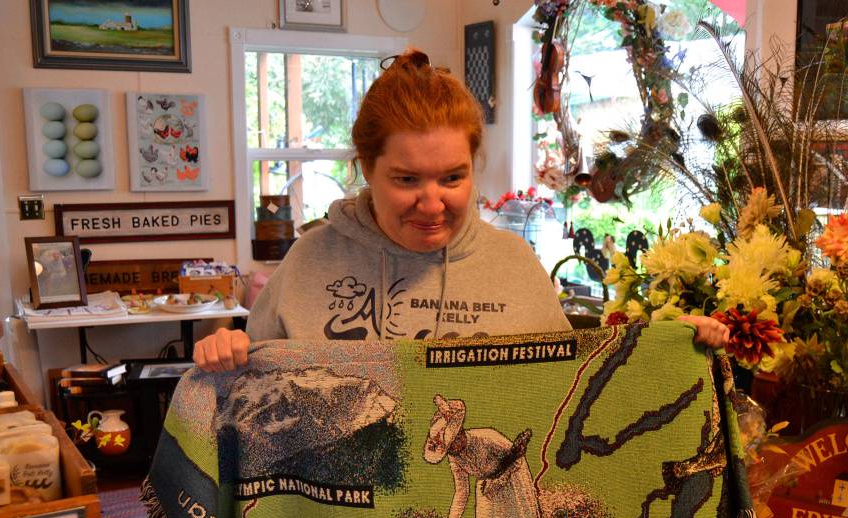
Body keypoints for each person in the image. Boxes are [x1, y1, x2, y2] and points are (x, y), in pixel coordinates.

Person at [194, 49, 727, 372]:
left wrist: (670, 348)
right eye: (406, 180)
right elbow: (250, 397)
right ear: (367, 168)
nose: (432, 204)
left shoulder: (515, 266)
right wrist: (226, 352)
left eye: (452, 178)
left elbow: (574, 389)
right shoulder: (309, 261)